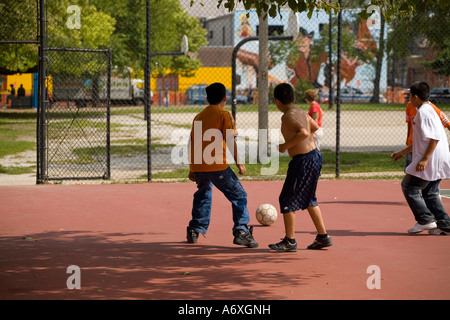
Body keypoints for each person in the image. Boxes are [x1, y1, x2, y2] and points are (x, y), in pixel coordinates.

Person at [186, 82, 258, 248]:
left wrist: (192, 168)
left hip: (199, 166)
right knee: (239, 195)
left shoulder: (199, 116)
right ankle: (241, 231)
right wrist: (239, 163)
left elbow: (193, 142)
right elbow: (231, 140)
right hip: (217, 165)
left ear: (206, 98)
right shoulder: (224, 114)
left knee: (203, 194)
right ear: (225, 98)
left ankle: (194, 229)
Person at [269, 83, 332, 252]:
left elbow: (304, 132)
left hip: (303, 160)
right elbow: (315, 127)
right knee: (310, 198)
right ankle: (323, 237)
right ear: (294, 98)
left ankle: (290, 241)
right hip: (315, 156)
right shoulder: (301, 111)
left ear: (277, 101)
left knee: (286, 198)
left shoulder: (287, 116)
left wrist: (285, 146)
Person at [391, 82, 450, 235]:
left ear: (415, 97)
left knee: (409, 186)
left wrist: (424, 159)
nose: (408, 99)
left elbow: (434, 138)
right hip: (436, 155)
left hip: (431, 157)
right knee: (430, 191)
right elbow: (420, 140)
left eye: (409, 96)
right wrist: (402, 153)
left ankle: (425, 219)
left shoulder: (424, 112)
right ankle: (444, 224)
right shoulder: (428, 109)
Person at [405, 99, 450, 168]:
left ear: (416, 97)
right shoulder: (409, 105)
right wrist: (408, 138)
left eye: (411, 95)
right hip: (411, 145)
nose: (410, 98)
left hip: (423, 149)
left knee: (420, 173)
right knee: (409, 170)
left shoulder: (430, 108)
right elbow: (409, 122)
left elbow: (446, 123)